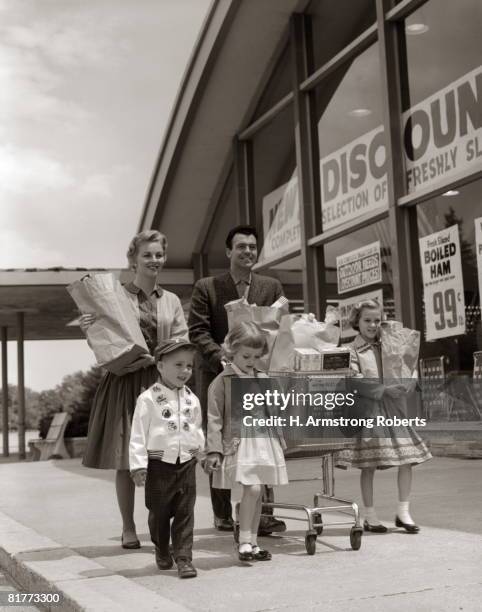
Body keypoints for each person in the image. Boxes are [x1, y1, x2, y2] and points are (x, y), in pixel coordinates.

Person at [80, 230, 187, 549]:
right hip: (125, 384)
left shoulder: (171, 301)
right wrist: (89, 329)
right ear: (133, 260)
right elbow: (103, 342)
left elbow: (181, 340)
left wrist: (164, 356)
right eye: (147, 255)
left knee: (165, 459)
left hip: (160, 384)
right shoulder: (114, 296)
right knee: (127, 459)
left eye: (158, 254)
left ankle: (159, 525)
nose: (154, 260)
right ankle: (128, 528)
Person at [188, 224, 286, 535]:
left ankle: (263, 514)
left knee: (260, 441)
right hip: (220, 375)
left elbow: (281, 331)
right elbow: (198, 331)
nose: (247, 251)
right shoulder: (208, 287)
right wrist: (224, 359)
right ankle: (221, 513)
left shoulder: (271, 287)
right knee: (222, 441)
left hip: (256, 377)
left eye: (252, 247)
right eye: (241, 246)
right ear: (229, 251)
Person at [336, 299, 432, 533]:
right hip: (370, 412)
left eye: (377, 320)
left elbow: (408, 364)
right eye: (367, 320)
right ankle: (370, 515)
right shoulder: (351, 350)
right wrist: (383, 389)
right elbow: (354, 379)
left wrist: (411, 380)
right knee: (369, 464)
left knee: (407, 459)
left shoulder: (391, 343)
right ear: (356, 322)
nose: (372, 325)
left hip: (394, 410)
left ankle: (403, 511)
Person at [204, 322, 288, 561]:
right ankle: (243, 541)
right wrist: (214, 450)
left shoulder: (262, 377)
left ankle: (252, 542)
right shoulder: (222, 381)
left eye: (255, 356)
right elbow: (214, 418)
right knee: (252, 488)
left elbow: (273, 408)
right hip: (241, 443)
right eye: (245, 356)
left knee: (259, 491)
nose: (251, 361)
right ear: (231, 351)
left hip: (264, 439)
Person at [130, 338, 203, 578]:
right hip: (159, 465)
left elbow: (196, 428)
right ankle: (162, 547)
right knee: (159, 511)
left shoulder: (192, 398)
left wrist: (201, 452)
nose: (185, 371)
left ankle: (184, 558)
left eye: (189, 366)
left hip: (186, 463)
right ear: (160, 366)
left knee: (185, 512)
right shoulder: (148, 399)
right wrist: (138, 465)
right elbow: (138, 434)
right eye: (178, 365)